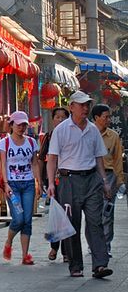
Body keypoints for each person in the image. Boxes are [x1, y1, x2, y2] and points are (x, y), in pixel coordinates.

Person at [46, 91, 112, 279]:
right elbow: (52, 158)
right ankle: (75, 266)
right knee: (71, 224)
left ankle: (100, 264)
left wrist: (105, 182)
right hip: (68, 181)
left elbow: (99, 157)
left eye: (87, 105)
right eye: (82, 105)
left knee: (95, 222)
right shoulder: (61, 130)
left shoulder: (93, 130)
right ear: (71, 107)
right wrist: (51, 183)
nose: (85, 108)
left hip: (92, 180)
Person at [0, 111, 40, 265]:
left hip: (28, 183)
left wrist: (38, 182)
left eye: (24, 125)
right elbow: (3, 164)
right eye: (19, 124)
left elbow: (35, 163)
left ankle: (25, 255)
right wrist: (6, 183)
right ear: (11, 125)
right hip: (13, 185)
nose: (22, 128)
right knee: (19, 219)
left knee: (27, 220)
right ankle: (9, 242)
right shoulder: (5, 143)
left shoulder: (31, 142)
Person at [90, 103, 123, 256]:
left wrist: (119, 181)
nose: (109, 119)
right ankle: (93, 244)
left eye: (109, 116)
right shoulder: (87, 133)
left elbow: (117, 161)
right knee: (92, 212)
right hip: (90, 175)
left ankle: (106, 245)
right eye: (106, 117)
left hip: (109, 176)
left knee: (108, 212)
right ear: (96, 118)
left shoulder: (113, 136)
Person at [39, 106, 69, 261]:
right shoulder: (50, 136)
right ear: (53, 119)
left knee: (68, 215)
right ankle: (54, 248)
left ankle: (66, 251)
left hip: (69, 180)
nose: (60, 120)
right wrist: (42, 181)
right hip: (54, 181)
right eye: (57, 117)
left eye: (63, 117)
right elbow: (42, 158)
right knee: (56, 215)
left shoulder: (72, 134)